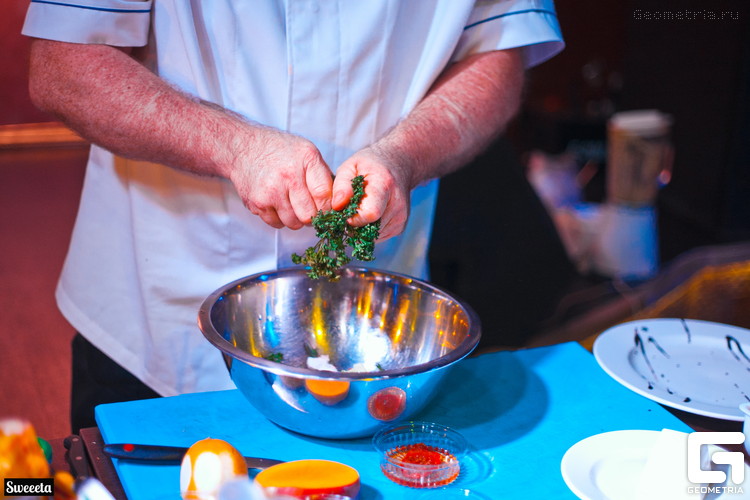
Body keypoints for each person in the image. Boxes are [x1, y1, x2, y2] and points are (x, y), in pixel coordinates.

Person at [23, 1, 564, 432]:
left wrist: (405, 157)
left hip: (372, 338)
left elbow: (500, 52)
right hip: (154, 320)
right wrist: (235, 147)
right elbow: (63, 65)